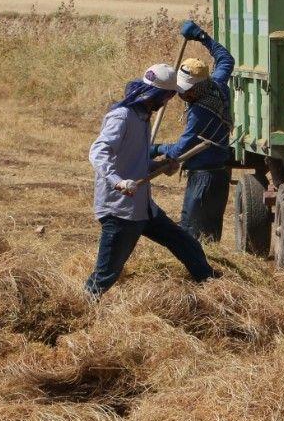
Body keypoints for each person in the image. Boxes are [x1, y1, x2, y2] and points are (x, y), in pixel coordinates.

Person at [85, 63, 217, 299]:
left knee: (186, 244)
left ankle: (215, 288)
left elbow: (134, 160)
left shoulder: (142, 118)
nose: (167, 102)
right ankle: (82, 307)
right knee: (105, 275)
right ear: (158, 94)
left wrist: (159, 165)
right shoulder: (122, 117)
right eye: (167, 96)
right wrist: (117, 181)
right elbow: (98, 153)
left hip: (143, 207)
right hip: (120, 211)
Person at [151, 19, 235, 242]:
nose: (182, 95)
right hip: (219, 173)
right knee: (209, 235)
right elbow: (226, 59)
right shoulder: (216, 84)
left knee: (192, 232)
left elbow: (181, 149)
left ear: (198, 87)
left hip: (204, 178)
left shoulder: (201, 112)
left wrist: (157, 148)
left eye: (186, 91)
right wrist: (202, 37)